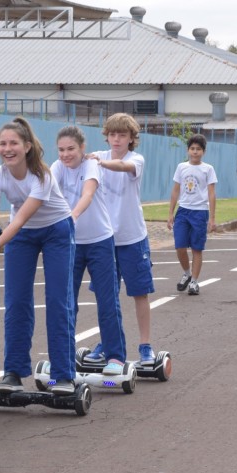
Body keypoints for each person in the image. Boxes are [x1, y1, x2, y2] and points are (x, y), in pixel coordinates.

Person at [0, 117, 77, 395]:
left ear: (27, 146)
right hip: (23, 237)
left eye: (13, 143)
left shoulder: (42, 175)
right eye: (3, 143)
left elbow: (18, 220)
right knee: (16, 301)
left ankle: (63, 375)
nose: (8, 148)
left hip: (56, 230)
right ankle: (13, 373)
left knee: (57, 300)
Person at [51, 125, 128, 375]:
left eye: (71, 149)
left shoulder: (91, 165)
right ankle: (63, 356)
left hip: (100, 241)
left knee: (107, 300)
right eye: (61, 150)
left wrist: (71, 217)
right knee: (66, 302)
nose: (65, 154)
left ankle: (115, 356)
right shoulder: (57, 167)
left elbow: (88, 193)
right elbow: (44, 192)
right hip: (70, 244)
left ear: (82, 148)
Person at [89, 113, 156, 366]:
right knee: (106, 295)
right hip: (103, 239)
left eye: (122, 135)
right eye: (112, 134)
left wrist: (99, 164)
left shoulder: (135, 159)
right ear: (106, 136)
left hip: (132, 237)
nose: (116, 139)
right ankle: (108, 342)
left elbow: (123, 167)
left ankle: (145, 345)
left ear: (131, 139)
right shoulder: (96, 156)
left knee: (140, 293)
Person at [167, 133, 217, 296]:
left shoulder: (208, 169)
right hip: (183, 211)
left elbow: (211, 193)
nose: (195, 152)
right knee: (180, 246)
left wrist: (212, 217)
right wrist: (170, 213)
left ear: (203, 151)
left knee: (197, 248)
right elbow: (175, 190)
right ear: (188, 150)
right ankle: (187, 273)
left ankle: (194, 282)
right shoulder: (181, 167)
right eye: (192, 149)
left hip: (200, 212)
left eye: (198, 149)